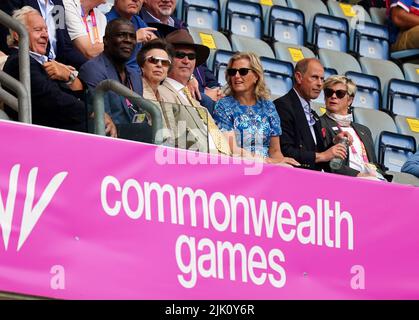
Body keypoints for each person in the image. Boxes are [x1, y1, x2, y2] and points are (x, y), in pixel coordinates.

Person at [3, 6, 116, 135]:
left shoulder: (45, 63)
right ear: (17, 34)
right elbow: (53, 98)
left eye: (46, 30)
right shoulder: (19, 61)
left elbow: (80, 95)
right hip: (45, 136)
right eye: (38, 30)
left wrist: (68, 77)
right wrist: (93, 112)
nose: (45, 35)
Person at [213, 52, 299, 166]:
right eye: (232, 72)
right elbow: (232, 149)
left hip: (268, 167)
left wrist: (282, 163)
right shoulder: (223, 105)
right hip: (238, 165)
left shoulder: (268, 107)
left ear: (256, 76)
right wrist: (266, 161)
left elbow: (275, 151)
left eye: (243, 71)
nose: (236, 76)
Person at [159, 29, 231, 155]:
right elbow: (168, 138)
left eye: (191, 57)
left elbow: (216, 136)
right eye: (180, 55)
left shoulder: (196, 101)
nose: (186, 61)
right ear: (167, 60)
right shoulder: (161, 92)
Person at [139, 0, 221, 107]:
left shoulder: (180, 25)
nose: (167, 0)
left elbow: (202, 67)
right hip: (170, 90)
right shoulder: (139, 25)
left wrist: (215, 87)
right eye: (180, 55)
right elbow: (156, 69)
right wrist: (200, 89)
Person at [273, 58, 349, 171]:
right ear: (299, 77)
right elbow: (285, 151)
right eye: (314, 77)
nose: (320, 84)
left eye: (322, 79)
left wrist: (334, 143)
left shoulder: (313, 114)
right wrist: (322, 156)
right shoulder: (282, 106)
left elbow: (317, 151)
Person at [320, 75, 389, 180]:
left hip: (371, 180)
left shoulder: (364, 130)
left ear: (350, 100)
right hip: (343, 180)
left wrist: (381, 175)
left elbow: (373, 163)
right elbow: (328, 164)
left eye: (340, 93)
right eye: (329, 92)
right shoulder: (320, 123)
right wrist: (359, 175)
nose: (333, 96)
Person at [79, 18, 143, 126]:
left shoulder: (135, 75)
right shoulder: (93, 69)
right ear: (106, 40)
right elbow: (104, 122)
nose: (128, 40)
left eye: (132, 37)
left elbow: (140, 116)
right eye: (121, 35)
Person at [0, 0, 87, 69]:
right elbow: (10, 40)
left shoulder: (57, 3)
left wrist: (89, 66)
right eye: (38, 30)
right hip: (30, 65)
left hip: (58, 66)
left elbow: (65, 46)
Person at [106, 0, 157, 71]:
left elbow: (155, 43)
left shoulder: (137, 20)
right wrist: (134, 38)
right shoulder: (104, 21)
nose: (135, 0)